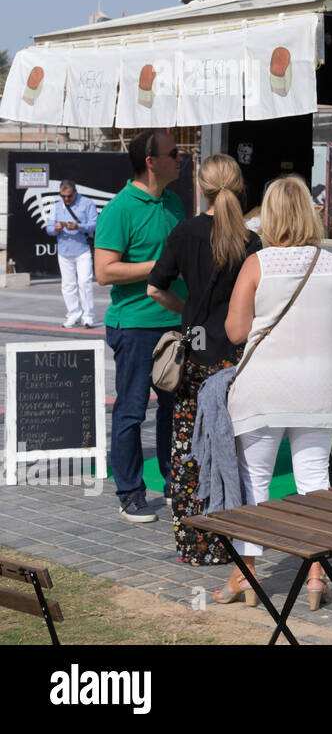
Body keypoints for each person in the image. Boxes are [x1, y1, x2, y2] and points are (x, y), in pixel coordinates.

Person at [216, 175, 332, 608]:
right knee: (315, 480)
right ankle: (316, 574)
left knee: (254, 479)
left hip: (264, 389)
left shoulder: (257, 265)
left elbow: (236, 331)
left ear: (270, 216)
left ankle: (247, 574)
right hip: (318, 388)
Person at [146, 155, 262, 566]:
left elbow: (154, 288)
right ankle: (234, 543)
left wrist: (186, 311)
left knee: (188, 452)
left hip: (195, 354)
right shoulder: (250, 242)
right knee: (234, 452)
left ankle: (196, 546)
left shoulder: (185, 231)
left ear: (202, 185)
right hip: (235, 361)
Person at [94, 129, 186, 523]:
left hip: (175, 323)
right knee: (131, 411)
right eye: (173, 153)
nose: (181, 157)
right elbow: (104, 271)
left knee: (174, 410)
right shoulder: (119, 209)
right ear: (151, 161)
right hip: (134, 327)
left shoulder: (176, 202)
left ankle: (172, 484)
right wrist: (158, 267)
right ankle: (130, 493)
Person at [47, 179, 98, 328]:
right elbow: (48, 227)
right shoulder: (57, 207)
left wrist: (78, 226)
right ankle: (73, 314)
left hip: (82, 248)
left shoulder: (87, 203)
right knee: (68, 285)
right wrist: (55, 228)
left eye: (69, 196)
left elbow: (95, 224)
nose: (66, 199)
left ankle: (88, 316)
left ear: (75, 192)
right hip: (64, 249)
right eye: (63, 196)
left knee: (85, 282)